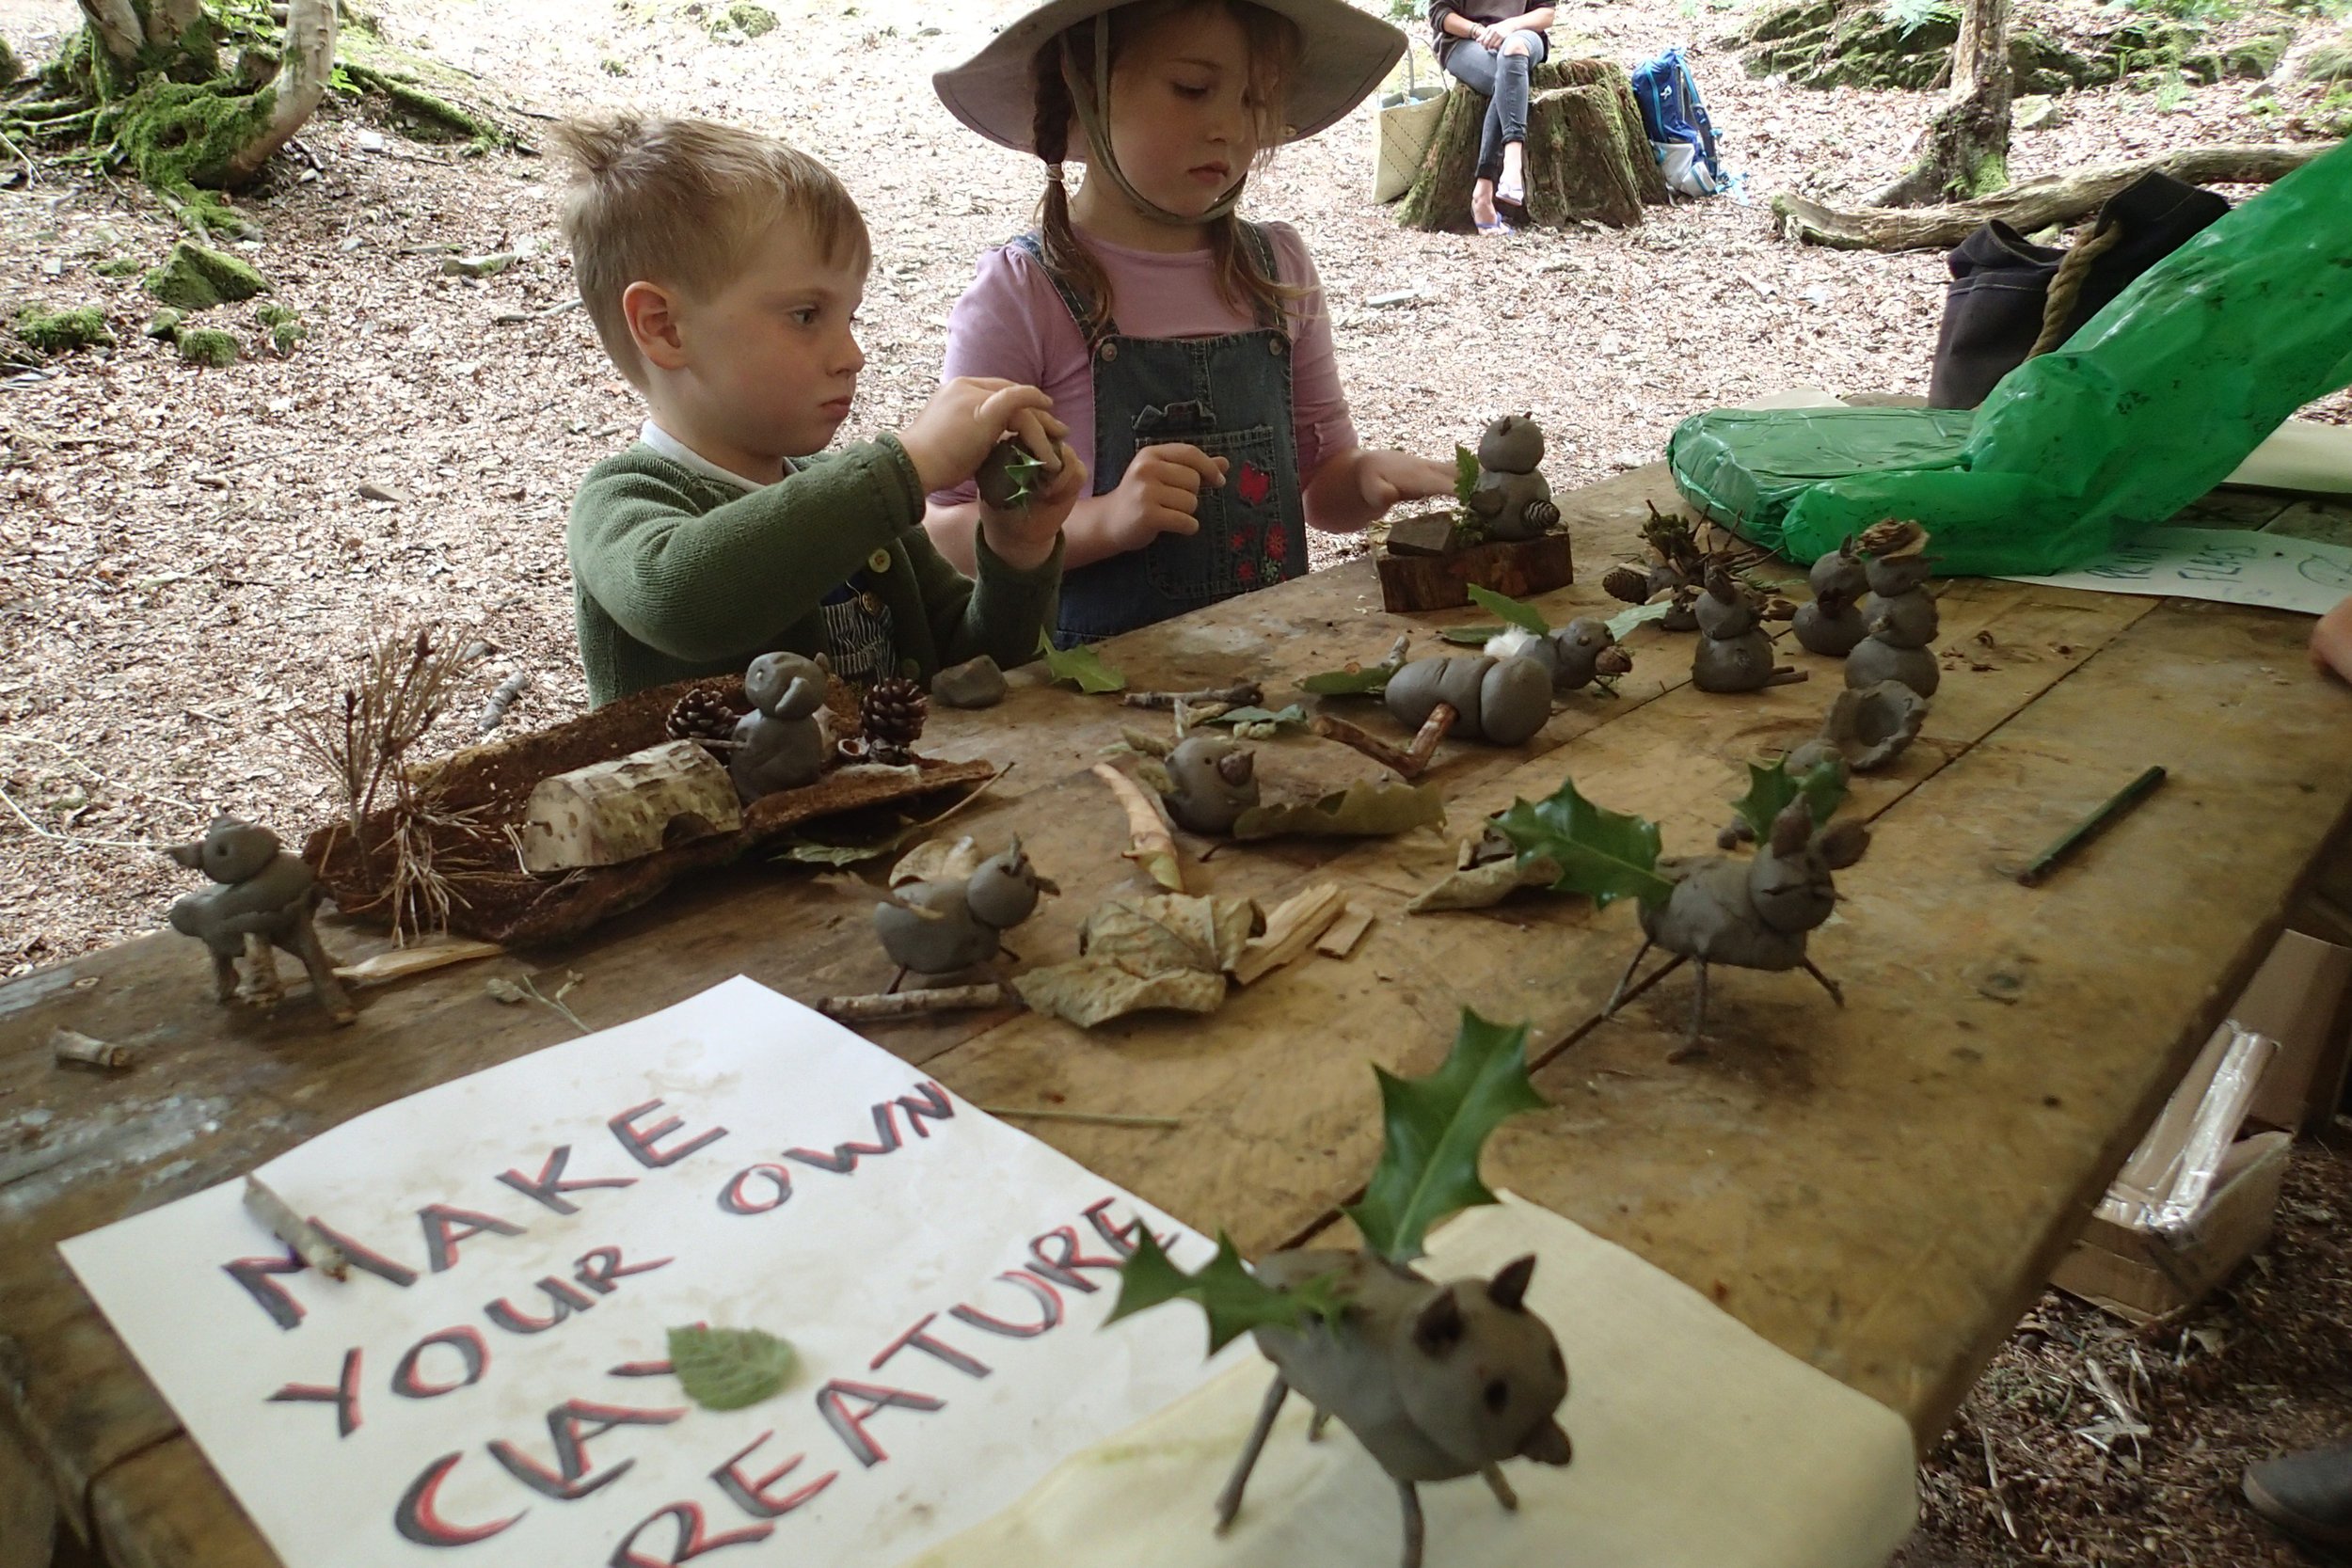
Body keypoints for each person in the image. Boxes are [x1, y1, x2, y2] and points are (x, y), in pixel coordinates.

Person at [927, 0, 1457, 645]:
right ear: (1083, 84)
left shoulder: (1276, 269)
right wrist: (1105, 520)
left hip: (1271, 667)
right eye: (1192, 88)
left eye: (1254, 100)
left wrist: (1368, 479)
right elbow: (950, 528)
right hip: (1090, 694)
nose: (1230, 129)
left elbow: (1322, 489)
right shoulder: (1024, 294)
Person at [551, 116, 1087, 707]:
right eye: (806, 315)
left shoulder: (860, 508)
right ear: (666, 327)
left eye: (850, 318)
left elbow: (978, 669)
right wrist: (906, 467)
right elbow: (681, 603)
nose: (852, 356)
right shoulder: (622, 502)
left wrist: (1017, 553)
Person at [1427, 0, 1556, 234]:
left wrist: (1510, 27)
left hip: (1522, 36)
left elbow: (1546, 13)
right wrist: (1479, 31)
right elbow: (1440, 14)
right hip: (1464, 42)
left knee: (1513, 51)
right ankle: (1484, 190)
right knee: (1506, 76)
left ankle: (1511, 166)